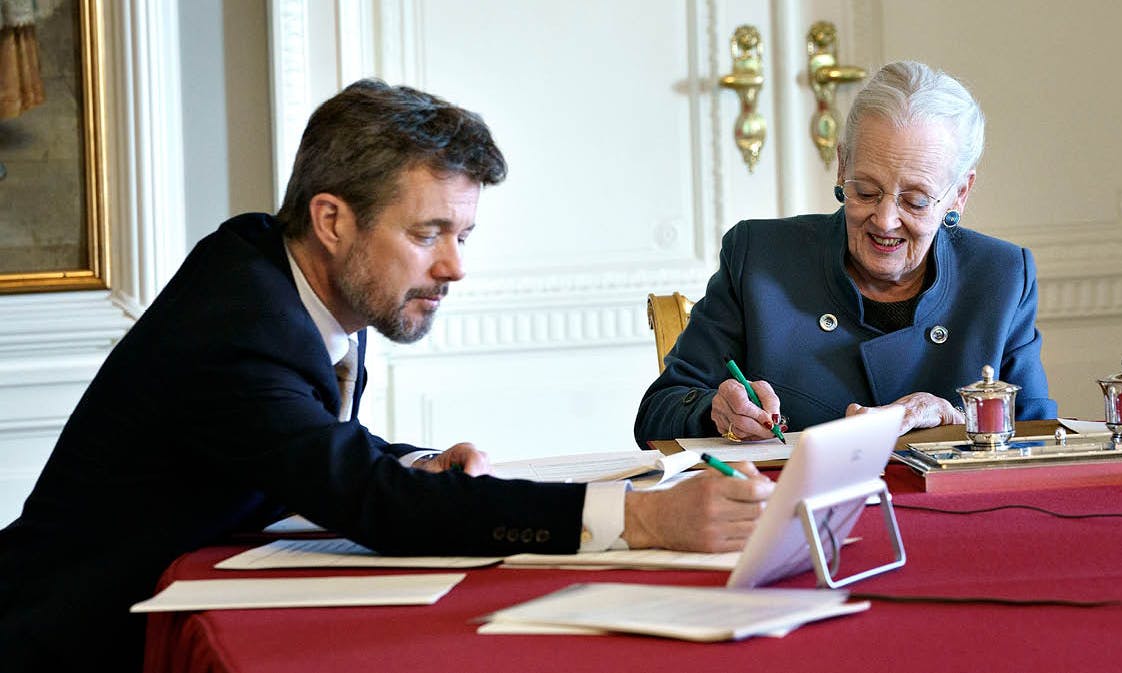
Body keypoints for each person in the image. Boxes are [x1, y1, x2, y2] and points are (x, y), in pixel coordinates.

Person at [0, 80, 774, 671]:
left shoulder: (282, 268)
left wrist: (410, 460)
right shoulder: (239, 323)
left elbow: (307, 439)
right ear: (333, 219)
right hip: (67, 642)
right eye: (428, 233)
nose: (455, 267)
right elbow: (371, 503)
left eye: (463, 234)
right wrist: (644, 520)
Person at [635, 61, 1057, 447]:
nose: (885, 219)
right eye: (866, 191)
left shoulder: (1001, 277)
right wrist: (716, 410)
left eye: (915, 200)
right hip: (791, 518)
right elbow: (657, 414)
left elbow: (1039, 435)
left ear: (959, 194)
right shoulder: (759, 259)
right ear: (841, 167)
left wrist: (957, 417)